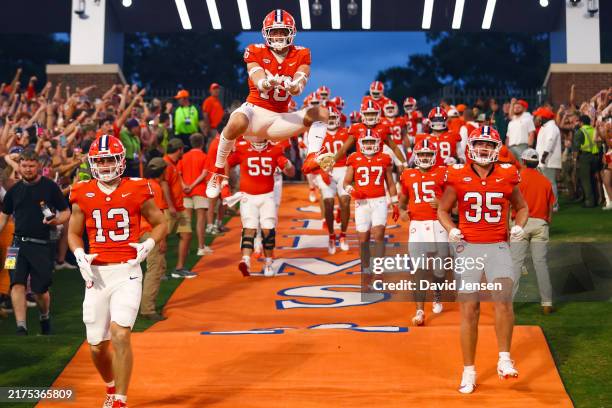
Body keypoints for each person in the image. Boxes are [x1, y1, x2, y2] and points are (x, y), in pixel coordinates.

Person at [68, 135, 167, 408]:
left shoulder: (137, 188)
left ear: (121, 160)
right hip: (97, 275)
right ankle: (111, 386)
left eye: (110, 159)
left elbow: (160, 223)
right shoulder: (81, 191)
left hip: (128, 271)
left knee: (121, 333)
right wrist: (79, 254)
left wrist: (148, 244)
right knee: (97, 346)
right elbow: (74, 233)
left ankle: (120, 400)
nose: (105, 165)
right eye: (100, 160)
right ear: (92, 163)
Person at [438, 126, 528, 394]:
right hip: (469, 248)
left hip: (498, 246)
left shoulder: (507, 174)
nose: (483, 149)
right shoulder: (457, 175)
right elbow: (443, 209)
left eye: (489, 145)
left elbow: (521, 207)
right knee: (469, 310)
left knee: (503, 301)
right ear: (470, 146)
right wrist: (451, 228)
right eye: (479, 144)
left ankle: (504, 359)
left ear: (497, 148)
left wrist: (520, 225)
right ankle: (469, 371)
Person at [206, 9, 330, 199]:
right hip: (254, 112)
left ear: (291, 32)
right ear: (266, 33)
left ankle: (313, 156)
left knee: (321, 112)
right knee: (237, 120)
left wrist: (295, 85)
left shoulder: (301, 53)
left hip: (279, 119)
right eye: (274, 31)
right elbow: (256, 75)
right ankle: (218, 171)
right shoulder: (255, 50)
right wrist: (265, 82)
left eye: (282, 31)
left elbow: (300, 81)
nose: (279, 35)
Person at [0, 148, 70, 335]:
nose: (28, 169)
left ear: (38, 165)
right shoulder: (13, 190)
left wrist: (56, 220)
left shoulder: (50, 187)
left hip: (42, 245)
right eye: (24, 166)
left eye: (31, 166)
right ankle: (21, 326)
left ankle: (44, 315)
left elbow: (66, 212)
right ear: (19, 166)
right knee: (16, 283)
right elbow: (4, 216)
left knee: (40, 290)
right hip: (15, 246)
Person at [398, 139, 448, 325]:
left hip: (438, 224)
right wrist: (402, 211)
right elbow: (402, 201)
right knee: (418, 269)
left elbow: (456, 200)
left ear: (434, 156)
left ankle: (437, 294)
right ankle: (419, 310)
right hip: (417, 226)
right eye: (422, 154)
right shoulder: (408, 175)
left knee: (439, 271)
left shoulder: (443, 173)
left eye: (428, 154)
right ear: (416, 156)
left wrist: (442, 204)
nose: (425, 158)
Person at [229, 139, 295, 277]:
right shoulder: (242, 148)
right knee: (249, 228)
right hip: (248, 196)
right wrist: (224, 181)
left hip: (267, 196)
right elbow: (225, 163)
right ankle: (246, 261)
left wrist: (289, 166)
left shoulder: (275, 149)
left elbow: (291, 173)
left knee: (268, 230)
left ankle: (268, 263)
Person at [343, 130, 399, 274]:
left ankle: (379, 266)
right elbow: (346, 182)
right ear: (360, 144)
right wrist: (352, 191)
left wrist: (395, 203)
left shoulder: (384, 158)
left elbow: (391, 183)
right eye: (366, 142)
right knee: (363, 238)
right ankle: (366, 266)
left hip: (379, 201)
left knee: (379, 233)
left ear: (377, 143)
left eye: (371, 142)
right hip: (362, 203)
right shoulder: (354, 158)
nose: (368, 145)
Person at [511, 149, 555, 314]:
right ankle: (547, 303)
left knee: (515, 264)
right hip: (540, 224)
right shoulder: (545, 181)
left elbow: (510, 203)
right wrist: (546, 222)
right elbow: (550, 208)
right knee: (541, 264)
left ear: (523, 161)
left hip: (520, 224)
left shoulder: (517, 179)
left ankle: (508, 304)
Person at [315, 106, 351, 253]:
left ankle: (343, 234)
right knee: (328, 204)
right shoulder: (318, 135)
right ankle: (331, 235)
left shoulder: (346, 132)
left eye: (333, 118)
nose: (330, 121)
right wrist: (320, 171)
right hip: (325, 169)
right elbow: (313, 157)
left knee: (345, 202)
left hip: (342, 169)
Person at [139, 158, 169, 321]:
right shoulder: (156, 187)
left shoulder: (143, 184)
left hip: (138, 231)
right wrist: (162, 239)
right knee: (154, 269)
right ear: (162, 171)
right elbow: (158, 217)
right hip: (151, 233)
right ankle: (147, 309)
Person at [162, 138, 195, 278]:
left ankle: (179, 268)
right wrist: (170, 206)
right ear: (179, 149)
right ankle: (160, 272)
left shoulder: (173, 164)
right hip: (168, 207)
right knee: (162, 240)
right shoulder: (165, 164)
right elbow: (164, 186)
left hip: (178, 207)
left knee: (186, 234)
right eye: (182, 149)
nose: (183, 152)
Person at [177, 133, 212, 256]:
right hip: (200, 190)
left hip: (185, 192)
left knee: (186, 221)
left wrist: (185, 186)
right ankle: (200, 247)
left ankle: (184, 248)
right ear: (202, 143)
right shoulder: (204, 156)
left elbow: (178, 174)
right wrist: (192, 185)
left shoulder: (183, 156)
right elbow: (204, 174)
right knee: (200, 220)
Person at [533, 107, 562, 210]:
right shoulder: (545, 127)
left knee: (550, 182)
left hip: (548, 160)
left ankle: (554, 205)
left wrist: (544, 156)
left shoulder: (551, 127)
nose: (537, 117)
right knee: (546, 183)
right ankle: (548, 203)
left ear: (544, 116)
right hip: (544, 160)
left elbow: (550, 141)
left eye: (539, 115)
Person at [573, 115, 599, 207]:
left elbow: (576, 148)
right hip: (596, 156)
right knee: (594, 179)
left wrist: (575, 161)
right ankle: (596, 199)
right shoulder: (593, 129)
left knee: (586, 180)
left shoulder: (580, 131)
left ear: (581, 122)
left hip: (585, 157)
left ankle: (589, 202)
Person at [201, 83, 224, 148]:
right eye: (214, 89)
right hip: (213, 129)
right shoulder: (208, 100)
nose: (216, 90)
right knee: (213, 145)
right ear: (210, 91)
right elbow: (205, 115)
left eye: (217, 89)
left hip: (218, 128)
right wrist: (208, 128)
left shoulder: (217, 101)